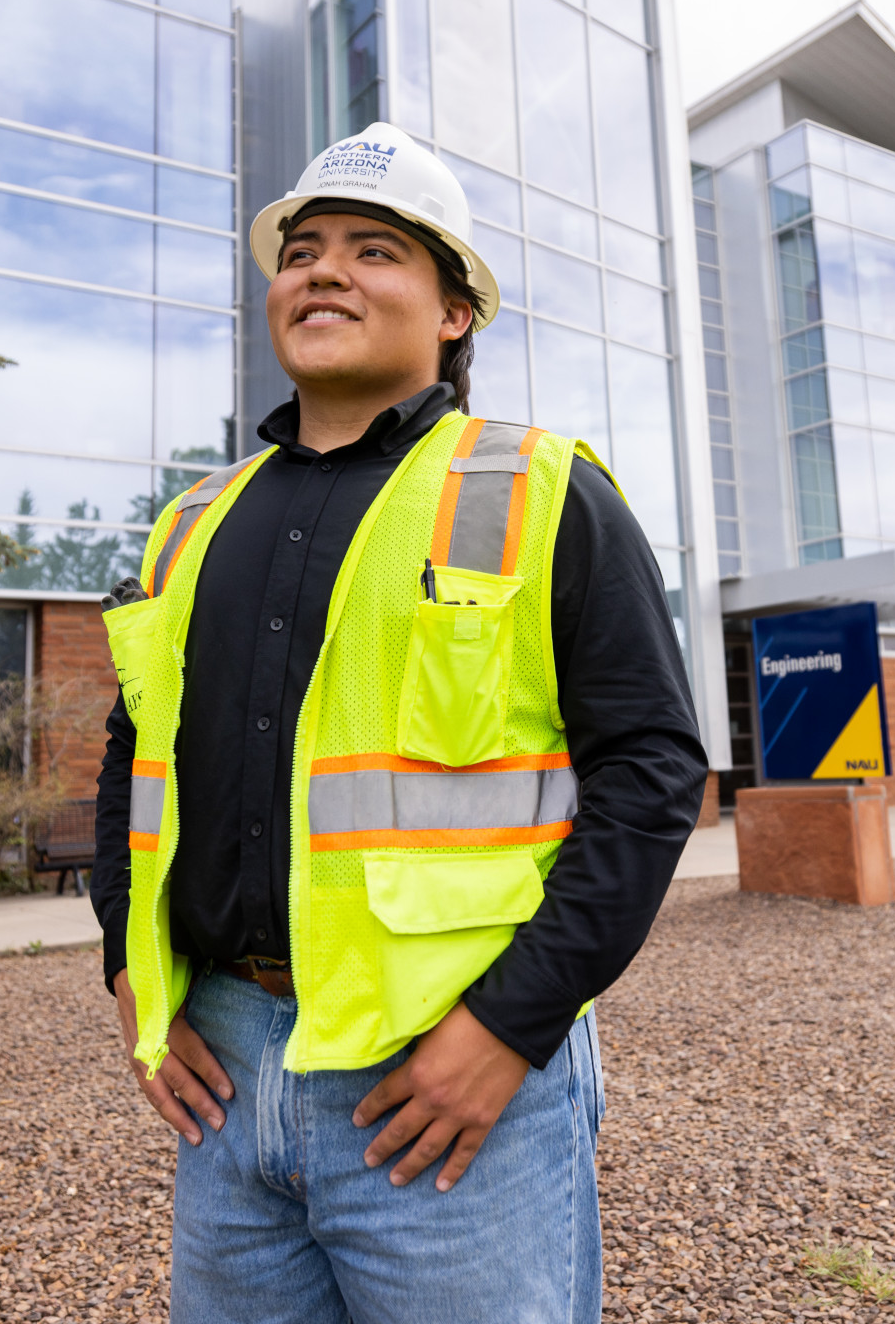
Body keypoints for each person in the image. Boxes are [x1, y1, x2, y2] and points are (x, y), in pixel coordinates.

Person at [90, 121, 708, 1324]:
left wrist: (508, 1029)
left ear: (455, 310)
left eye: (375, 250)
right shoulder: (192, 522)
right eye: (302, 249)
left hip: (449, 1073)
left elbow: (650, 774)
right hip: (222, 1075)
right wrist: (126, 964)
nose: (323, 270)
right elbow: (135, 757)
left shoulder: (537, 489)